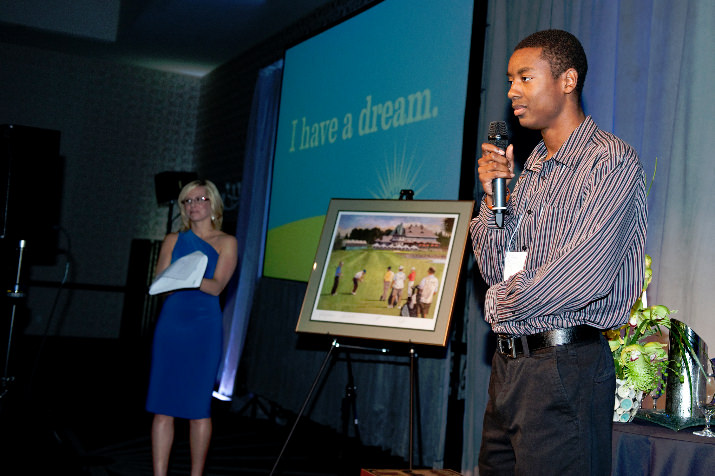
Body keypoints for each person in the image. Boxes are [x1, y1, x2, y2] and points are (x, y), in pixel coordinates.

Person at [470, 30, 647, 475]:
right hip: (509, 369)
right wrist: (495, 200)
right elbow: (495, 267)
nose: (512, 90)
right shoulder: (527, 172)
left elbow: (581, 275)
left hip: (564, 369)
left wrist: (500, 303)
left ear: (567, 80)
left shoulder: (609, 161)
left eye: (525, 78)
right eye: (510, 79)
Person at [146, 179, 238, 476]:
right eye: (187, 201)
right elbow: (161, 285)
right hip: (172, 324)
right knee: (163, 406)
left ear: (213, 204)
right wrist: (180, 278)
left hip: (204, 327)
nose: (193, 205)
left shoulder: (227, 242)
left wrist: (187, 276)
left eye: (199, 199)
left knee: (199, 408)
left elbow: (216, 287)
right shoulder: (174, 239)